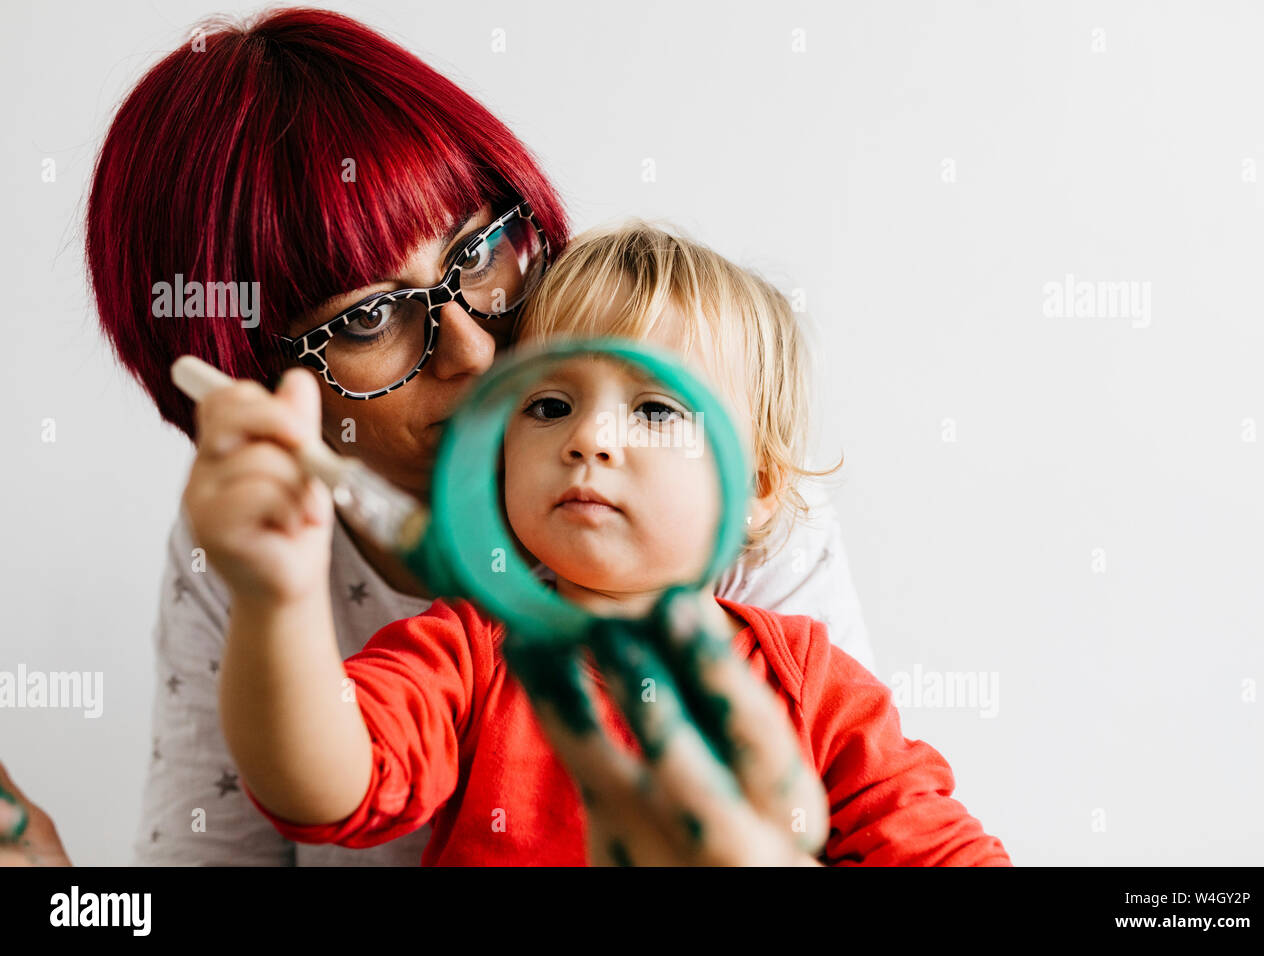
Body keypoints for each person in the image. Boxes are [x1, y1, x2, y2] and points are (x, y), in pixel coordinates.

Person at [1, 8, 871, 866]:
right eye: (371, 316)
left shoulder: (713, 487)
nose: (475, 347)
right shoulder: (293, 575)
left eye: (482, 248)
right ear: (256, 389)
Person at [202, 221, 1010, 865]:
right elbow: (323, 785)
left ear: (757, 487)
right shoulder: (470, 651)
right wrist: (279, 599)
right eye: (549, 405)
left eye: (655, 410)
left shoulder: (816, 691)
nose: (590, 439)